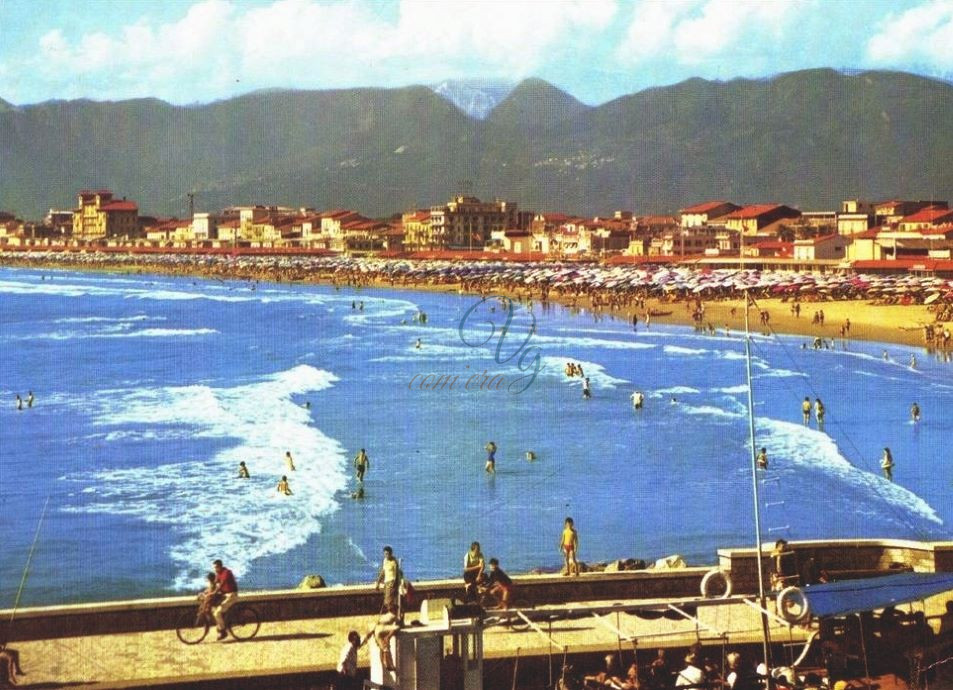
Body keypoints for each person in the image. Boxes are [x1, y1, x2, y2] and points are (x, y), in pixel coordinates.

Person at [211, 559, 238, 640]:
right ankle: (221, 624)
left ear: (220, 566)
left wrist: (214, 592)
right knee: (214, 608)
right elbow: (214, 584)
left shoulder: (226, 573)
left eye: (216, 567)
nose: (215, 569)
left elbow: (220, 585)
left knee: (217, 613)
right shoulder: (218, 574)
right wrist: (206, 592)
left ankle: (223, 632)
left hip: (231, 595)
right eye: (214, 568)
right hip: (225, 595)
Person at [376, 546, 400, 613]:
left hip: (392, 582)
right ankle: (394, 615)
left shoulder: (394, 561)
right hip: (386, 583)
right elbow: (383, 572)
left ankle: (394, 615)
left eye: (388, 554)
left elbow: (397, 573)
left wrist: (395, 583)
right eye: (385, 554)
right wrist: (378, 582)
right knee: (387, 602)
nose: (386, 555)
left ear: (391, 553)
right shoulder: (385, 560)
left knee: (389, 601)